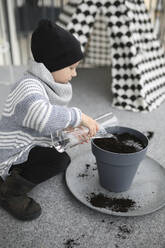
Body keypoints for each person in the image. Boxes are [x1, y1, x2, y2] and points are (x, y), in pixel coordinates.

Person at [0, 19, 99, 221]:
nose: (75, 73)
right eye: (71, 68)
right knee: (55, 161)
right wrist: (79, 117)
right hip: (8, 154)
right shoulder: (28, 87)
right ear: (52, 65)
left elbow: (44, 126)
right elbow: (41, 116)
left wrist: (67, 133)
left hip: (26, 143)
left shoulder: (43, 82)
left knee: (61, 157)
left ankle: (18, 173)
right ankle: (9, 191)